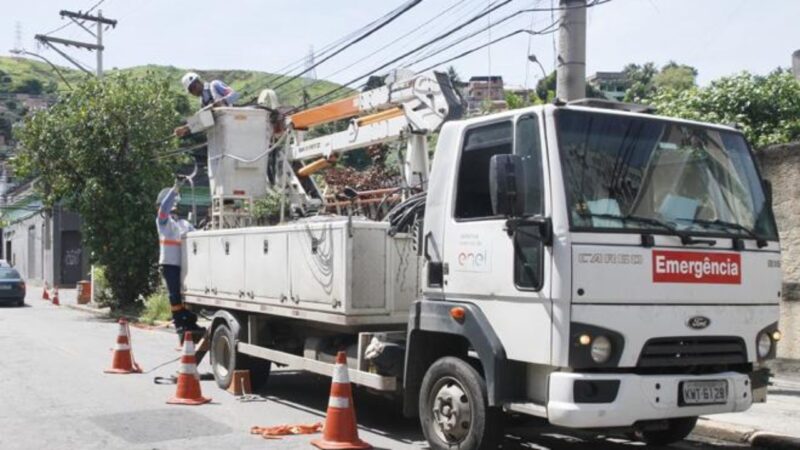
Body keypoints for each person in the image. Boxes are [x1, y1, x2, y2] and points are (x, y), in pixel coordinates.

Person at [156, 180, 204, 339]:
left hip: (185, 265)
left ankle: (189, 322)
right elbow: (164, 208)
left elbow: (197, 234)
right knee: (175, 295)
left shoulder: (183, 224)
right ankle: (179, 324)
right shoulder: (163, 222)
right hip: (170, 264)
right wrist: (174, 190)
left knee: (186, 295)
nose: (173, 208)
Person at [174, 72, 240, 137]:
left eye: (193, 88)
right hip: (221, 133)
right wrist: (186, 129)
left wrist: (223, 101)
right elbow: (205, 121)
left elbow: (235, 95)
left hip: (233, 124)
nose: (193, 92)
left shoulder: (214, 85)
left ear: (198, 82)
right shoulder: (202, 103)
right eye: (190, 91)